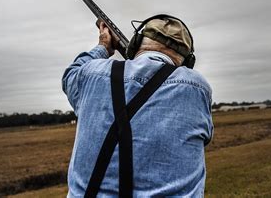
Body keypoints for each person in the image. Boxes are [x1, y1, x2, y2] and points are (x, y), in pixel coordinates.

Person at [62, 15, 214, 197]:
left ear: (136, 43)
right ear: (188, 61)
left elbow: (71, 75)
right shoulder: (197, 87)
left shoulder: (91, 74)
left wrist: (103, 46)